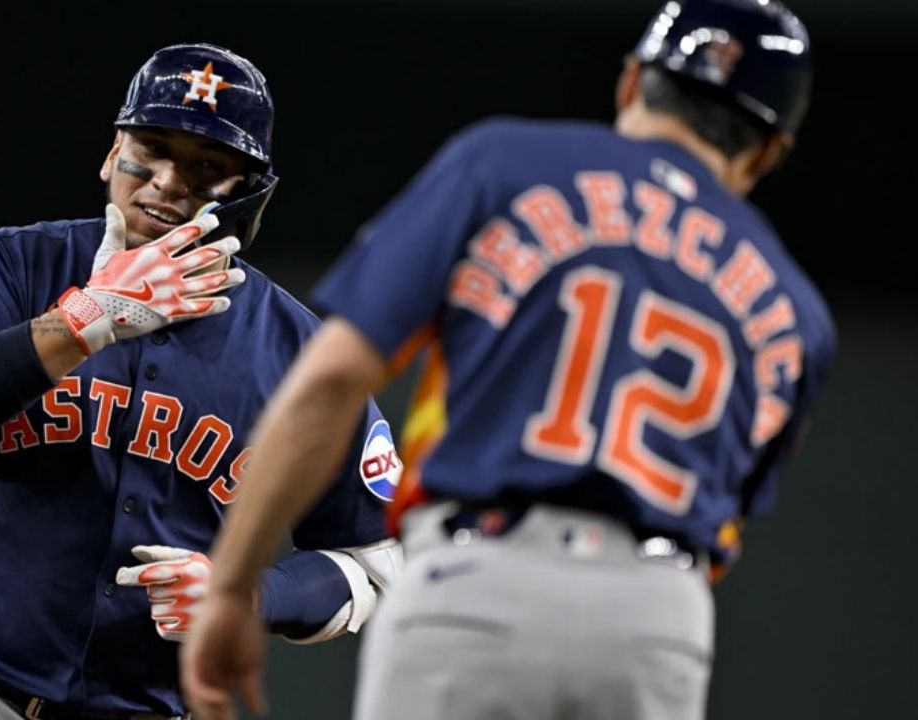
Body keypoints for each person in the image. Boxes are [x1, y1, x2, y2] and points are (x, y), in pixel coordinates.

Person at [182, 1, 835, 719]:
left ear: (631, 82)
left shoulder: (504, 165)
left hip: (479, 580)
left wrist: (230, 587)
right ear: (771, 150)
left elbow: (333, 377)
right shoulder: (798, 311)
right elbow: (728, 525)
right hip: (658, 619)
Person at [0, 42, 403, 720]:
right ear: (109, 153)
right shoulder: (14, 263)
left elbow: (379, 556)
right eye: (149, 147)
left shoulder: (296, 350)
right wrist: (86, 320)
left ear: (252, 198)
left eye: (207, 166)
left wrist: (249, 596)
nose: (166, 180)